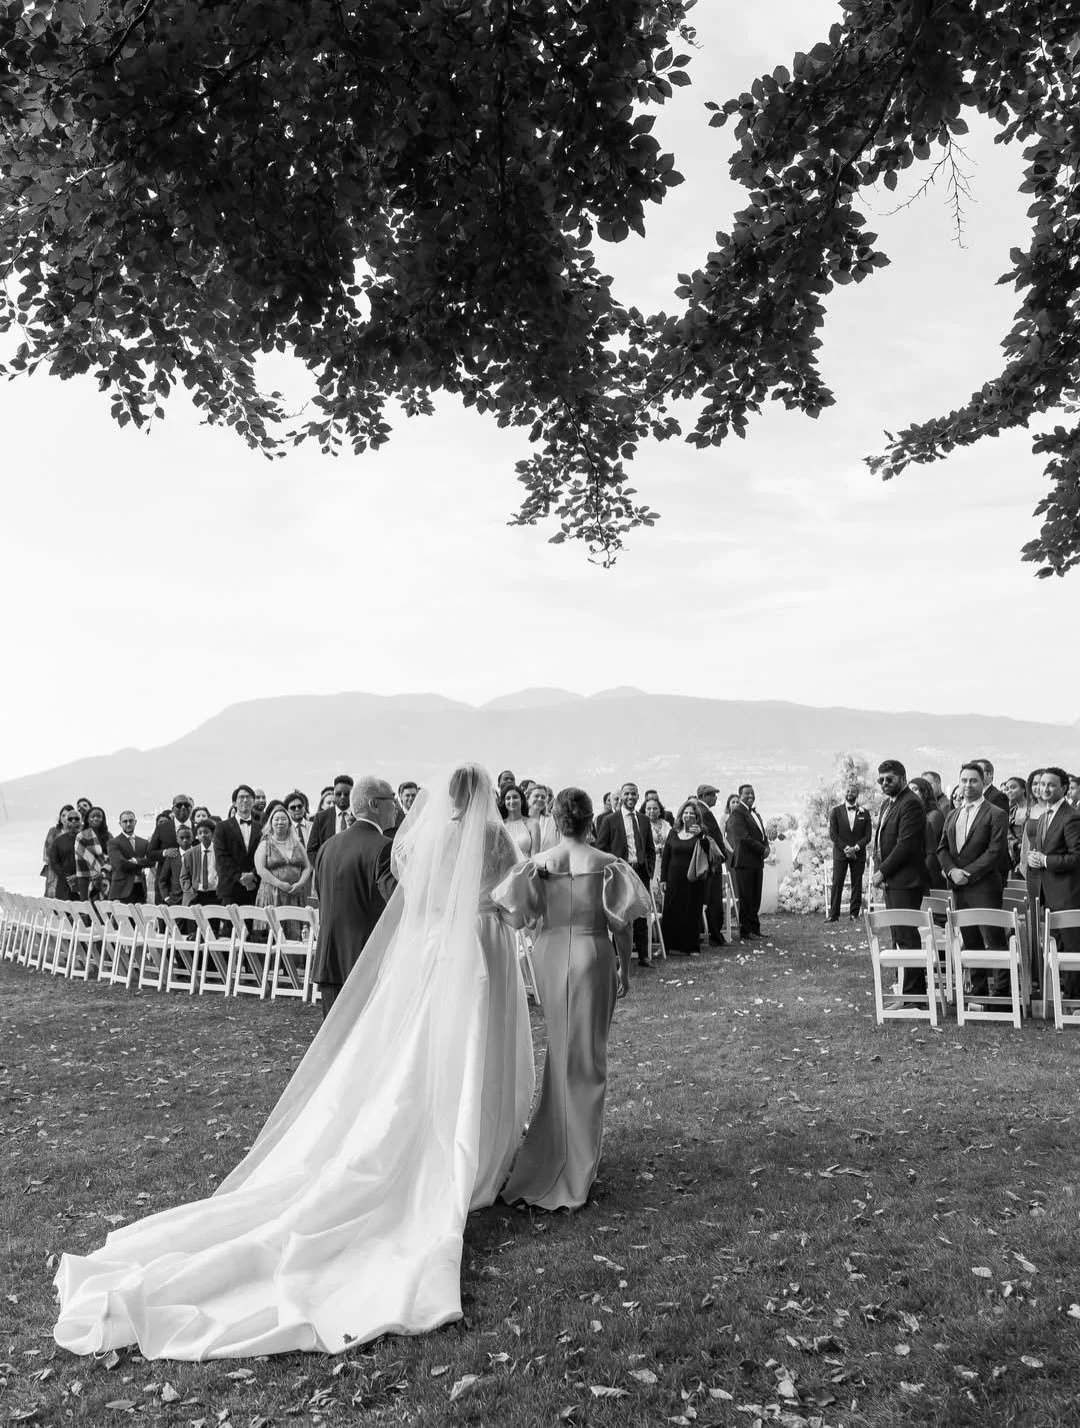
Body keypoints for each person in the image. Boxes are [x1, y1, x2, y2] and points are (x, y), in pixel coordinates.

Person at [53, 763, 535, 1360]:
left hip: (438, 952)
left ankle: (444, 1135)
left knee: (420, 1053)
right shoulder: (492, 839)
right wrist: (503, 907)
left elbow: (420, 902)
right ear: (485, 796)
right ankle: (472, 1151)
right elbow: (515, 895)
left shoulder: (427, 838)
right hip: (477, 950)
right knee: (469, 1054)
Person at [494, 786, 647, 1211]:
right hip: (593, 954)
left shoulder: (537, 865)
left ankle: (554, 1152)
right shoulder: (608, 865)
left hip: (550, 955)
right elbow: (623, 926)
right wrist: (625, 969)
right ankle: (578, 1163)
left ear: (557, 821)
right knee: (589, 1058)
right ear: (590, 819)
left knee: (560, 1052)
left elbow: (518, 917)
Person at [311, 776, 398, 1018]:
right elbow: (397, 901)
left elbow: (323, 897)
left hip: (329, 962)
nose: (397, 806)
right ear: (375, 805)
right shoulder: (383, 847)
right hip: (363, 963)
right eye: (392, 799)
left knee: (333, 1045)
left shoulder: (327, 846)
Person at [939, 761, 1010, 1002]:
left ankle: (1001, 996)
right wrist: (950, 871)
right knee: (970, 940)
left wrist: (965, 873)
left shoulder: (996, 813)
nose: (968, 785)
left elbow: (995, 852)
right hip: (958, 889)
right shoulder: (953, 814)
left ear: (983, 782)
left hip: (985, 887)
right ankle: (978, 993)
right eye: (964, 780)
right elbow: (942, 848)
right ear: (959, 783)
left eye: (973, 780)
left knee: (994, 940)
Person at [871, 760, 929, 999]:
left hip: (906, 881)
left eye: (890, 779)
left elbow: (906, 844)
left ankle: (914, 994)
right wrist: (879, 868)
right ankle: (903, 986)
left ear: (903, 778)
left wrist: (882, 871)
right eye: (881, 779)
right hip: (892, 881)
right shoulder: (888, 803)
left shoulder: (912, 804)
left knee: (907, 937)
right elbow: (880, 841)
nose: (885, 783)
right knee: (897, 937)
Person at [1026, 767, 1080, 997]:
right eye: (1042, 784)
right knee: (1054, 947)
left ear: (1064, 788)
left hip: (1067, 893)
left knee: (1072, 949)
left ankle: (1075, 999)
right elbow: (1042, 850)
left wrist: (1046, 860)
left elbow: (1077, 856)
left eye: (1051, 785)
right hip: (1046, 892)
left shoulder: (1071, 817)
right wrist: (1033, 858)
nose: (1044, 789)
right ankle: (1059, 996)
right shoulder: (1043, 815)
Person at [593, 781, 656, 968]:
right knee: (619, 914)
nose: (630, 797)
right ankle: (617, 957)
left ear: (638, 796)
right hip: (620, 871)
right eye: (627, 794)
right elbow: (601, 848)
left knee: (640, 912)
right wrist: (611, 868)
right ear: (621, 797)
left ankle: (644, 956)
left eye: (634, 794)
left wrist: (649, 868)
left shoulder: (644, 820)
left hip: (640, 871)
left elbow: (650, 848)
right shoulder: (610, 820)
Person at [659, 799, 715, 954]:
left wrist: (701, 835)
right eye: (686, 813)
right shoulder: (673, 832)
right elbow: (666, 857)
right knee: (671, 911)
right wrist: (663, 878)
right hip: (674, 878)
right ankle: (668, 946)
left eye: (692, 813)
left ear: (697, 817)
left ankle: (691, 946)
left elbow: (707, 851)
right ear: (681, 815)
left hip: (693, 879)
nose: (688, 815)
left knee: (691, 912)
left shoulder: (701, 833)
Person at [727, 783, 770, 939]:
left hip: (756, 861)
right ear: (740, 796)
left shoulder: (754, 813)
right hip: (744, 861)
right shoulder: (737, 813)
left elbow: (761, 834)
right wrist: (762, 849)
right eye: (747, 794)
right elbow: (743, 838)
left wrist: (767, 846)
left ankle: (755, 928)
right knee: (746, 898)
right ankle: (746, 931)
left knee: (755, 897)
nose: (750, 796)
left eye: (752, 793)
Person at [826, 784, 872, 921]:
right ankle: (834, 915)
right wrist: (846, 848)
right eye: (847, 790)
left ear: (857, 794)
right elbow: (833, 835)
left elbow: (868, 836)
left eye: (853, 791)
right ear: (844, 793)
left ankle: (854, 914)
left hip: (858, 854)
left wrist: (855, 848)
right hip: (841, 853)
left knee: (857, 883)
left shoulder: (865, 813)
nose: (850, 793)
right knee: (837, 883)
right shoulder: (835, 811)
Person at [213, 785, 263, 907]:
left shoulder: (261, 827)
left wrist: (253, 875)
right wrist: (241, 878)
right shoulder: (222, 827)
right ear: (234, 803)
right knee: (230, 925)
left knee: (254, 926)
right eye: (241, 797)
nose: (245, 800)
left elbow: (265, 855)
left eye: (248, 797)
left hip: (255, 887)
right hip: (230, 888)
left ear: (253, 802)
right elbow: (222, 857)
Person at [256, 806, 313, 908]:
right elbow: (261, 870)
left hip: (295, 893)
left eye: (283, 819)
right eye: (276, 819)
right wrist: (280, 884)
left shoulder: (297, 844)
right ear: (271, 823)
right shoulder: (265, 844)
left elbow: (307, 867)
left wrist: (300, 883)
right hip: (272, 894)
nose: (280, 822)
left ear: (289, 823)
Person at [693, 784, 729, 946]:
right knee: (713, 899)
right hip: (711, 863)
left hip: (710, 862)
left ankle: (711, 932)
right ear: (702, 796)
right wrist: (721, 856)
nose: (715, 797)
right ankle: (715, 934)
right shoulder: (704, 812)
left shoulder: (701, 810)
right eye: (712, 794)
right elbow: (712, 838)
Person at [147, 794, 195, 902]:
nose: (183, 808)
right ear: (173, 809)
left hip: (193, 890)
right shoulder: (162, 828)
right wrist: (164, 853)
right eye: (179, 805)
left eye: (186, 805)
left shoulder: (198, 828)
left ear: (191, 808)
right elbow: (150, 853)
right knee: (164, 919)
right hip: (166, 888)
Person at [306, 775, 355, 863]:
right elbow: (311, 850)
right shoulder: (321, 818)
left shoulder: (358, 817)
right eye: (338, 794)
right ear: (334, 794)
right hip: (327, 871)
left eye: (346, 794)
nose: (342, 797)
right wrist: (321, 868)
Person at [908, 777, 945, 891]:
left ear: (925, 792)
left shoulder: (934, 815)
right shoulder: (915, 814)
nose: (911, 793)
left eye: (915, 789)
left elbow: (922, 842)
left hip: (930, 872)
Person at [107, 812, 150, 903]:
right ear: (120, 823)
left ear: (135, 822)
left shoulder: (143, 842)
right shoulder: (113, 842)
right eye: (125, 821)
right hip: (121, 890)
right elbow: (120, 863)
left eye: (131, 821)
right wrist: (141, 864)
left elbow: (152, 861)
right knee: (122, 917)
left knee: (139, 917)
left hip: (140, 889)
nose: (128, 824)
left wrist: (135, 861)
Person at [74, 807, 112, 903]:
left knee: (105, 908)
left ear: (103, 819)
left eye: (99, 816)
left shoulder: (108, 836)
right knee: (88, 909)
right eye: (93, 816)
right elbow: (86, 856)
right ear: (87, 819)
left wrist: (104, 871)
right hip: (85, 876)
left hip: (106, 876)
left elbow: (113, 856)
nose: (96, 818)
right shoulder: (81, 836)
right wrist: (100, 871)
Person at [642, 794, 672, 908]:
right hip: (651, 862)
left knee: (666, 892)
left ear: (660, 810)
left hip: (666, 861)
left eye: (655, 808)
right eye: (649, 808)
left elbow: (671, 839)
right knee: (653, 894)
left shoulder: (665, 824)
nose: (652, 811)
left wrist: (666, 847)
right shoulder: (642, 824)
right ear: (644, 811)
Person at [48, 808, 85, 900]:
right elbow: (54, 863)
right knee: (64, 912)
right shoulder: (58, 841)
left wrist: (78, 875)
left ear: (81, 821)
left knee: (85, 912)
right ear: (65, 822)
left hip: (85, 883)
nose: (73, 821)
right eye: (70, 819)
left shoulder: (89, 839)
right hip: (64, 885)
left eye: (76, 819)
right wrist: (68, 877)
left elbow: (93, 861)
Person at [182, 820, 219, 905]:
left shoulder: (220, 851)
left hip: (216, 894)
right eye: (200, 833)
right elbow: (184, 877)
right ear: (197, 836)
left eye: (206, 832)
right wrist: (190, 892)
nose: (203, 835)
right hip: (197, 894)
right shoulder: (190, 853)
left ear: (213, 834)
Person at [42, 805, 74, 896]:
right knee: (53, 894)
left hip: (71, 870)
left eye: (68, 816)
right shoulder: (54, 831)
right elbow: (49, 850)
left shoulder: (76, 832)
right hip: (54, 869)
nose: (65, 818)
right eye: (63, 815)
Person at [497, 783, 533, 859]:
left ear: (522, 800)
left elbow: (535, 854)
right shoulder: (500, 825)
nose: (512, 801)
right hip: (506, 869)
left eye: (515, 797)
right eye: (508, 798)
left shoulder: (532, 824)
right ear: (504, 802)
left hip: (527, 868)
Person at [527, 783, 560, 853]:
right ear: (528, 798)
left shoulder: (553, 821)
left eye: (543, 797)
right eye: (536, 796)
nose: (540, 799)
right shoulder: (521, 821)